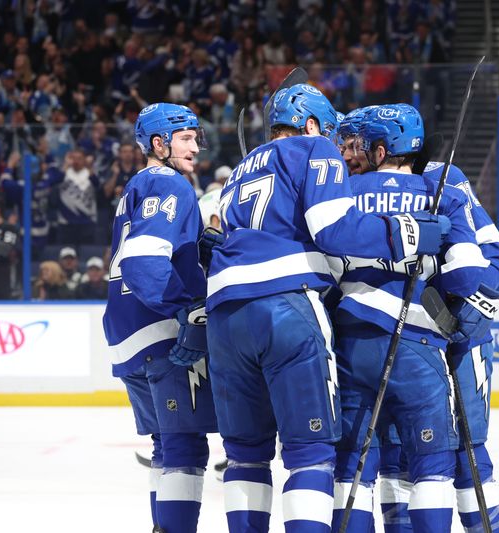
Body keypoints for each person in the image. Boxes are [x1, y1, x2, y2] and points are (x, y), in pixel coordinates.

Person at [201, 84, 451, 533]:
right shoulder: (314, 148)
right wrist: (407, 234)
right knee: (310, 453)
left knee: (244, 455)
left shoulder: (239, 168)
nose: (337, 145)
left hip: (223, 314)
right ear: (312, 124)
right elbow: (333, 229)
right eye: (331, 130)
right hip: (285, 304)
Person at [337, 106, 499, 532]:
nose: (344, 153)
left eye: (351, 144)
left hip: (457, 336)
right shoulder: (349, 182)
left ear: (376, 146)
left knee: (467, 450)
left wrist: (471, 307)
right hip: (419, 336)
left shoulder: (446, 180)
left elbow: (494, 259)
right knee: (400, 453)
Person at [102, 103, 217, 533]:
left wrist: (197, 245)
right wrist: (185, 313)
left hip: (126, 330)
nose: (195, 147)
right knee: (185, 446)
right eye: (186, 138)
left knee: (165, 445)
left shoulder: (137, 185)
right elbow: (146, 263)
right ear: (159, 143)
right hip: (158, 330)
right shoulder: (170, 183)